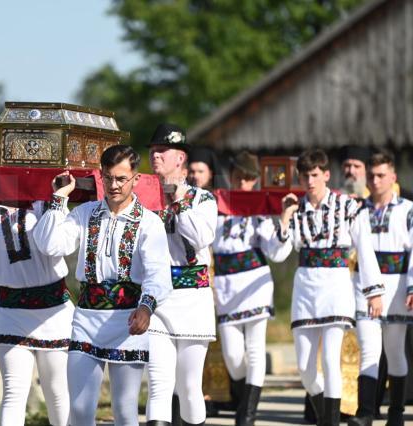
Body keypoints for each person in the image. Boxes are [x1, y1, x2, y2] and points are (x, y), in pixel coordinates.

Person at [34, 144, 172, 426]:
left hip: (128, 320)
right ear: (100, 176)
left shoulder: (149, 222)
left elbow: (159, 274)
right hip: (86, 317)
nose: (114, 185)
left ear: (136, 178)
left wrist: (146, 308)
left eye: (121, 178)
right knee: (81, 409)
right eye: (108, 177)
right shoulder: (84, 214)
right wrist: (59, 199)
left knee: (124, 410)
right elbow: (49, 244)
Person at [268, 148, 384, 426]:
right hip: (305, 288)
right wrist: (284, 218)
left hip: (336, 285)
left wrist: (374, 291)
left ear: (326, 175)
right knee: (306, 369)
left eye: (315, 175)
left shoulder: (349, 207)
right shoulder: (295, 210)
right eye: (305, 175)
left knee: (331, 360)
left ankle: (331, 422)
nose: (310, 180)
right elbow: (277, 254)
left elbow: (365, 249)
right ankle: (325, 416)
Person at [0, 200, 74, 426]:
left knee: (57, 390)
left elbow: (63, 246)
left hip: (54, 311)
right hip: (12, 310)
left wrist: (58, 201)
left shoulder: (48, 207)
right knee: (14, 391)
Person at [145, 124, 218, 426]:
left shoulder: (204, 200)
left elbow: (202, 237)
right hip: (157, 300)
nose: (155, 157)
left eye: (162, 151)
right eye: (152, 152)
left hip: (193, 299)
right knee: (159, 386)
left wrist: (178, 201)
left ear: (180, 158)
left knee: (189, 388)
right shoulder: (144, 199)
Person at [347, 150, 413, 426]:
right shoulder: (357, 210)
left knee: (395, 350)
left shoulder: (408, 210)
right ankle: (365, 413)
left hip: (397, 286)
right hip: (364, 286)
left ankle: (396, 411)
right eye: (372, 175)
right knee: (369, 349)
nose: (375, 181)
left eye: (381, 175)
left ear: (393, 177)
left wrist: (412, 287)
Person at [212, 151, 276, 425]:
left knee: (255, 348)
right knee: (232, 354)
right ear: (232, 177)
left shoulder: (260, 208)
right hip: (226, 285)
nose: (243, 184)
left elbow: (274, 249)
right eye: (239, 178)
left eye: (249, 180)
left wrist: (272, 221)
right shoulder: (217, 204)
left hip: (255, 282)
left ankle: (247, 413)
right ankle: (241, 398)